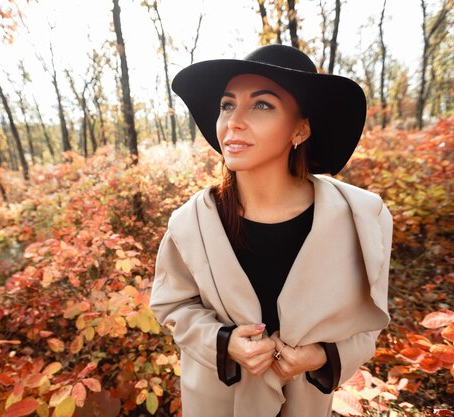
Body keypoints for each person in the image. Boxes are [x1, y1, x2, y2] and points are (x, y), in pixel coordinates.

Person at [148, 44, 393, 417]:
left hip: (306, 403)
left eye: (262, 105)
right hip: (218, 401)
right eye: (227, 105)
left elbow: (368, 321)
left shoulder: (361, 217)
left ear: (301, 128)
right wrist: (224, 342)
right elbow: (173, 305)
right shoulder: (192, 222)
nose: (234, 121)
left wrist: (321, 357)